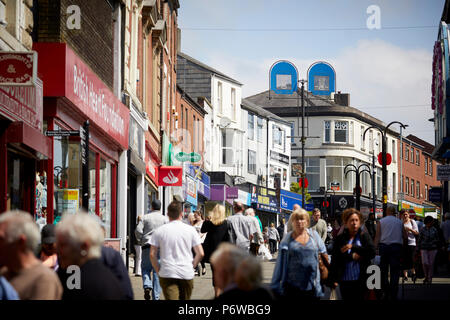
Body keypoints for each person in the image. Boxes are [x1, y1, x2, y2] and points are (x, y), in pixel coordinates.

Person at [56, 212, 126, 300]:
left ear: (84, 246)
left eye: (63, 245)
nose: (58, 250)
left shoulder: (95, 281)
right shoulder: (71, 270)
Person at [0, 210, 62, 300]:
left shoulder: (43, 280)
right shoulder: (4, 273)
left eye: (1, 238)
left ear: (21, 242)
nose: (49, 246)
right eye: (47, 243)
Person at [149, 201, 204, 300]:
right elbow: (200, 253)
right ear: (182, 214)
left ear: (167, 214)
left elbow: (152, 254)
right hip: (186, 273)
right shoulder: (190, 230)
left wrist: (158, 271)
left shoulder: (160, 231)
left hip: (168, 272)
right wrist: (192, 267)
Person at [270, 208, 327, 300]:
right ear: (292, 222)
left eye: (302, 219)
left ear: (307, 222)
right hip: (291, 287)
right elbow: (280, 264)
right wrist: (275, 285)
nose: (299, 221)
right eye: (296, 219)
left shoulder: (314, 235)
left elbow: (324, 254)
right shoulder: (287, 239)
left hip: (312, 286)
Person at [327, 208, 376, 300]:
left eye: (356, 220)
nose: (354, 223)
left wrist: (353, 247)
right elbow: (336, 258)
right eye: (352, 220)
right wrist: (332, 278)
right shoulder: (340, 239)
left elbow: (371, 252)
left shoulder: (364, 236)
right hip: (345, 280)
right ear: (346, 223)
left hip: (362, 279)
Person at [135, 199, 168, 300]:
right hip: (159, 248)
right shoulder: (165, 219)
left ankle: (147, 285)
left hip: (147, 246)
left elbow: (138, 231)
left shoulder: (145, 218)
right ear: (160, 207)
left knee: (145, 268)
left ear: (151, 207)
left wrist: (140, 241)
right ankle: (156, 297)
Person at [374, 206, 406, 300]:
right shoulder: (399, 222)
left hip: (384, 247)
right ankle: (393, 293)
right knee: (394, 272)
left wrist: (374, 248)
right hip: (396, 248)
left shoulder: (381, 221)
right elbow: (405, 237)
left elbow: (377, 236)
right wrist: (404, 248)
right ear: (394, 212)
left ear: (387, 211)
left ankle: (386, 291)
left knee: (383, 271)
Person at [201, 204, 231, 297]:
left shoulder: (209, 223)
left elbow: (202, 230)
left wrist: (207, 220)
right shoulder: (226, 224)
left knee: (215, 274)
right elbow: (228, 239)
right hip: (223, 254)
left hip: (212, 254)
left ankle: (217, 294)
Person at [418, 216, 441, 284]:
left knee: (431, 264)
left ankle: (429, 277)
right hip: (424, 248)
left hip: (433, 248)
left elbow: (437, 239)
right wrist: (418, 247)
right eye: (430, 222)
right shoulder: (422, 229)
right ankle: (426, 275)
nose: (431, 223)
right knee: (425, 263)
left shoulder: (434, 230)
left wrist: (434, 242)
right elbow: (419, 239)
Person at [400, 209, 419, 283]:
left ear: (408, 215)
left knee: (411, 259)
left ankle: (413, 274)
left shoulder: (412, 221)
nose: (405, 216)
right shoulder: (400, 222)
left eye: (406, 214)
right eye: (403, 214)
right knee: (404, 259)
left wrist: (410, 229)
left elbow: (417, 233)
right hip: (403, 243)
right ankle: (405, 276)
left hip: (411, 243)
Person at [192, 210, 207, 276]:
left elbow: (204, 231)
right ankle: (196, 269)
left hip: (201, 240)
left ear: (200, 215)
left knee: (200, 255)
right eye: (194, 216)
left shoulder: (204, 222)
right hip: (194, 240)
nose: (195, 217)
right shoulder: (194, 222)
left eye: (196, 215)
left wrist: (199, 236)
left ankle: (203, 267)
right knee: (194, 254)